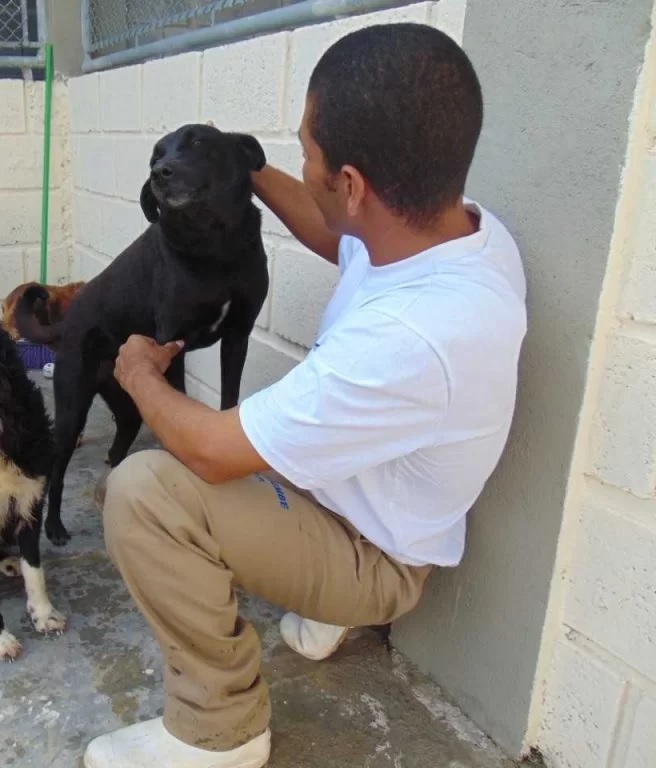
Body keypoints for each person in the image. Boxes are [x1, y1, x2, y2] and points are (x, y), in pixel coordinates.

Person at [82, 21, 527, 768]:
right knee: (267, 423)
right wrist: (234, 164)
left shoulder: (412, 337)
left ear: (351, 183)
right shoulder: (459, 229)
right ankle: (321, 608)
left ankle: (219, 732)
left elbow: (210, 451)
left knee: (146, 491)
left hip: (376, 556)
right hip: (376, 495)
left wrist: (136, 374)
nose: (300, 162)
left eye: (307, 151)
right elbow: (342, 238)